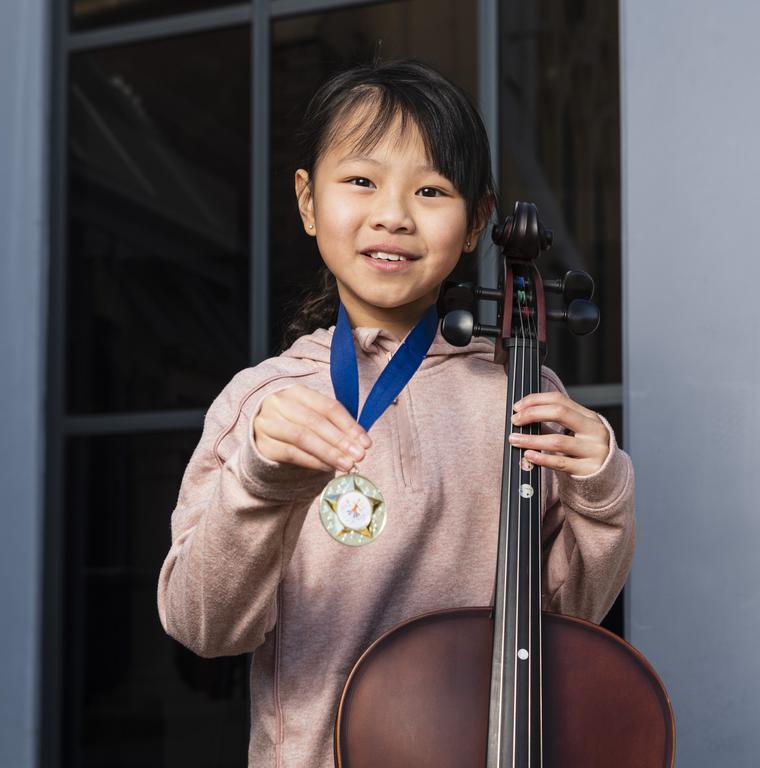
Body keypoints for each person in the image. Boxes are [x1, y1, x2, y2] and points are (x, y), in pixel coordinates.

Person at [157, 59, 634, 767]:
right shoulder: (262, 401)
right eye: (360, 180)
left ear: (475, 222)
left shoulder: (524, 394)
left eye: (431, 189)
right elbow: (205, 627)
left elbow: (566, 622)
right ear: (308, 201)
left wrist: (603, 488)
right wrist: (258, 485)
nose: (393, 213)